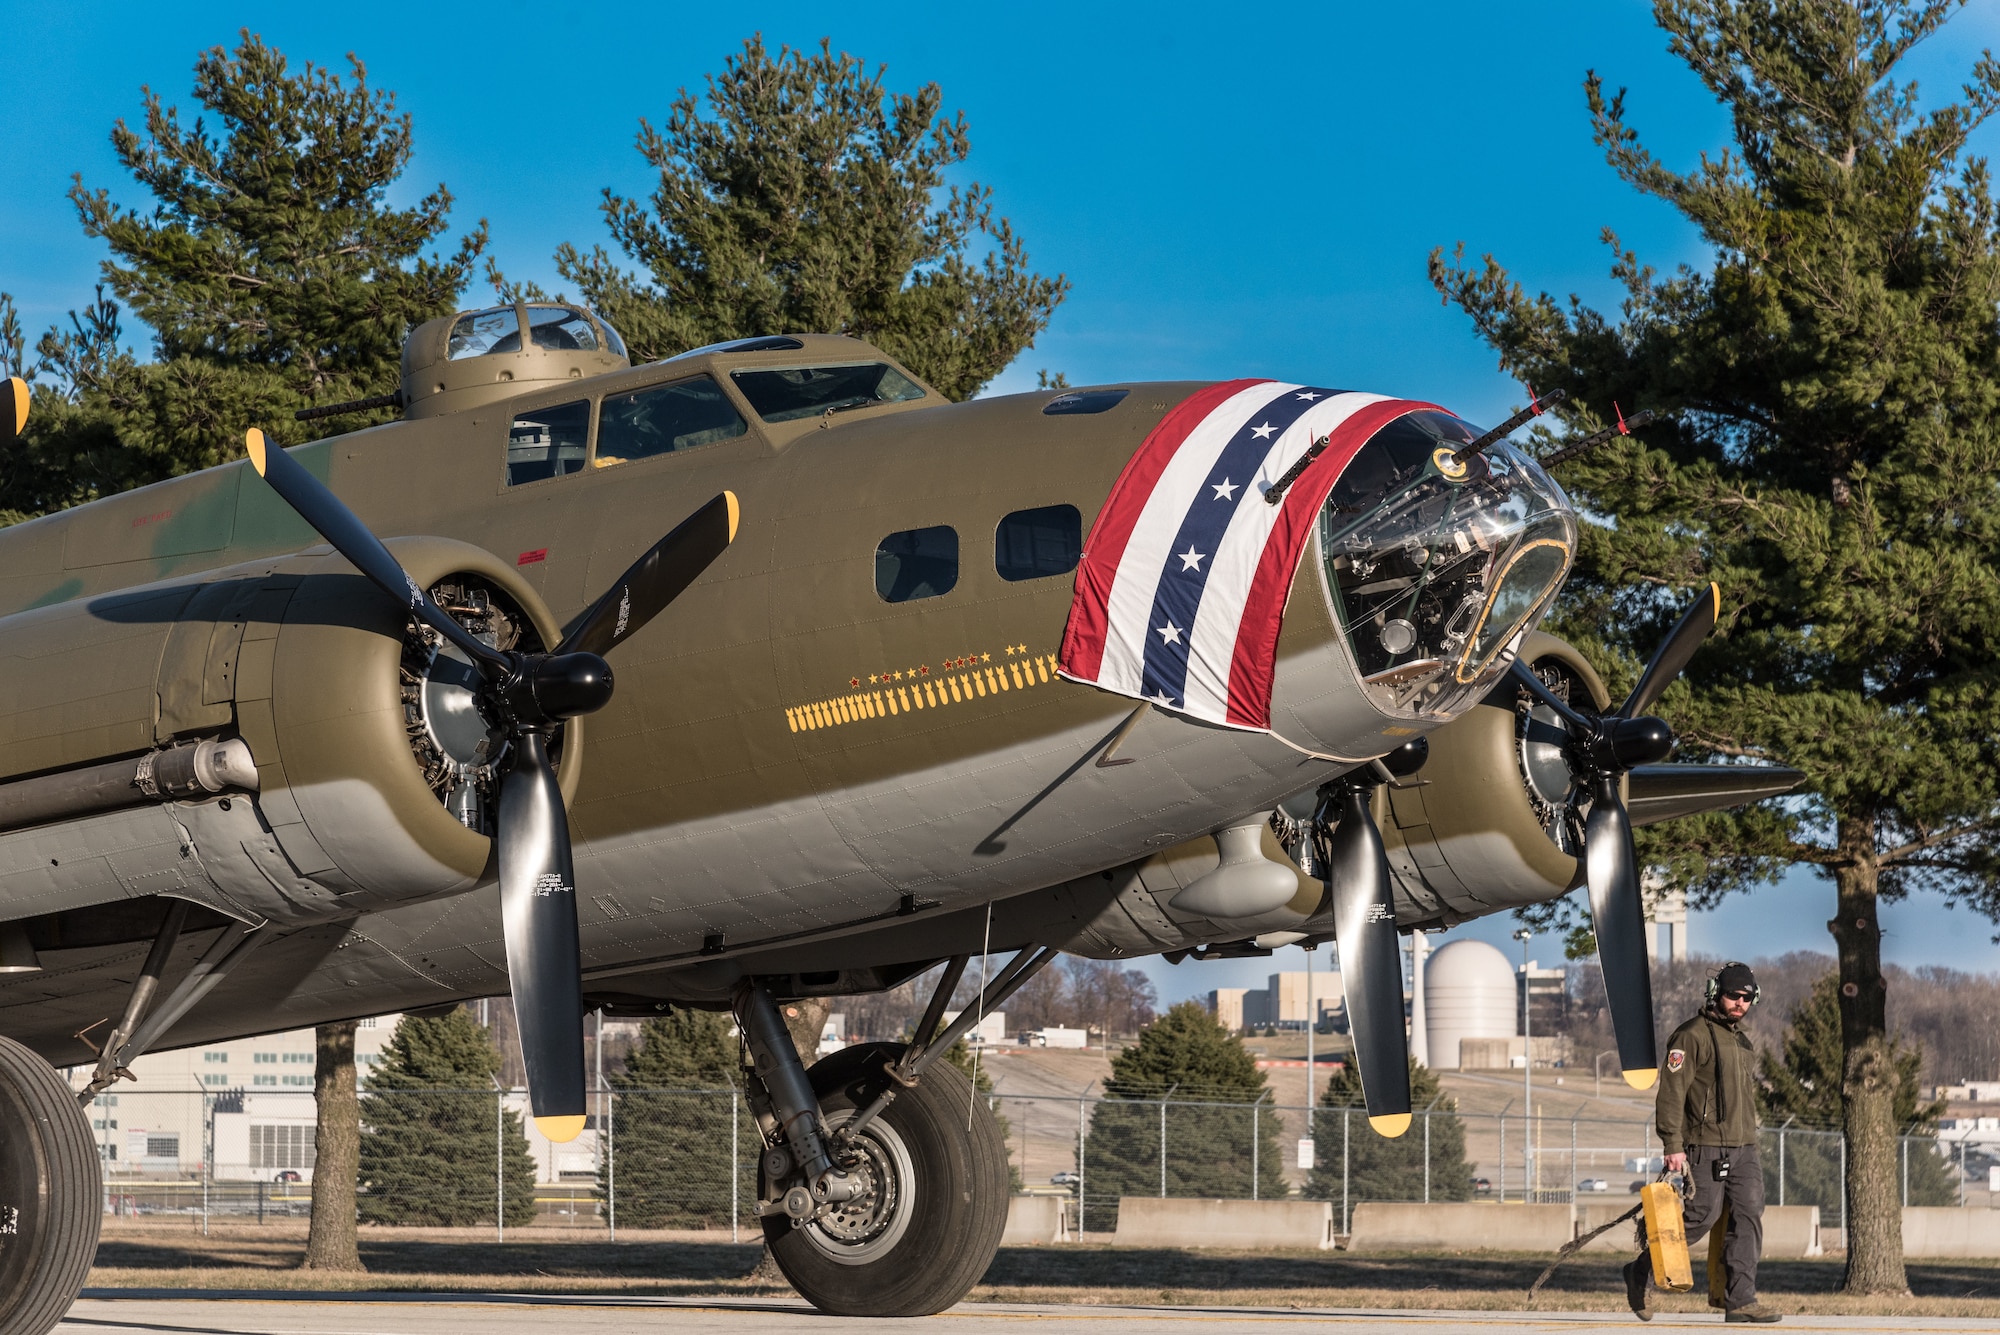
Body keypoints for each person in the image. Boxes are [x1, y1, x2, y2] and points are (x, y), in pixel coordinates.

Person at [1623, 961, 1780, 1324]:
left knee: (1749, 1218)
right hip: (1704, 1146)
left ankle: (1740, 1302)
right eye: (1732, 995)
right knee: (1698, 1218)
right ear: (1716, 994)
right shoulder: (1690, 1036)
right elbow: (1672, 1094)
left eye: (1747, 997)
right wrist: (1672, 1144)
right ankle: (1639, 1271)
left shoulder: (1741, 1041)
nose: (1740, 1002)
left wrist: (1751, 1142)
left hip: (1745, 1149)